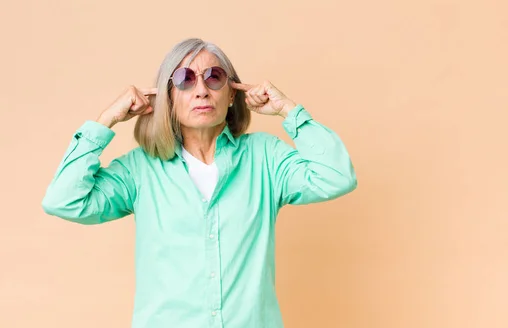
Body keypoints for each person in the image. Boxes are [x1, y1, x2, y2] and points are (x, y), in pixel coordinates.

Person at [42, 37, 357, 328]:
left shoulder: (265, 157)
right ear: (167, 96)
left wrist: (288, 110)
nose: (202, 90)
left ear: (232, 93)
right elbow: (64, 200)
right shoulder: (140, 169)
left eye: (214, 78)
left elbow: (337, 176)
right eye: (184, 79)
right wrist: (105, 120)